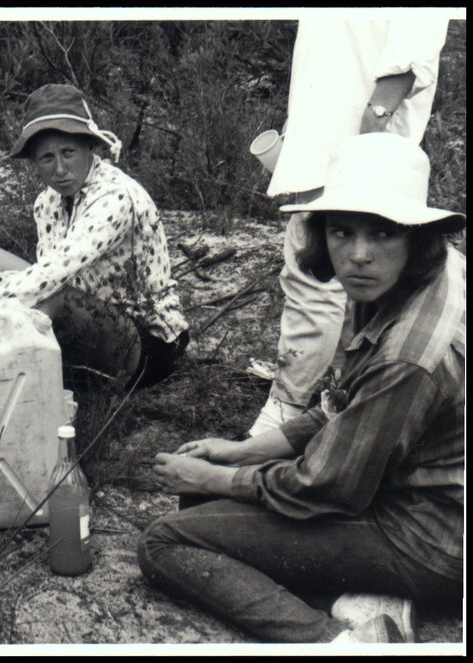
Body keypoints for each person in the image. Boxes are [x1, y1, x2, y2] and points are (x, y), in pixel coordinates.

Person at [138, 133, 465, 643]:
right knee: (207, 507)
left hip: (432, 538)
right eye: (342, 232)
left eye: (382, 234)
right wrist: (241, 452)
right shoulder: (425, 273)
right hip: (417, 494)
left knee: (165, 542)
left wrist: (213, 478)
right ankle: (364, 597)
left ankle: (339, 644)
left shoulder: (409, 353)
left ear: (415, 237)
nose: (358, 255)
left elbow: (325, 486)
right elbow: (348, 409)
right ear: (322, 234)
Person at [249, 18, 450, 436]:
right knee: (345, 289)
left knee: (316, 284)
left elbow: (415, 41)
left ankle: (282, 412)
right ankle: (344, 407)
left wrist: (374, 124)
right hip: (320, 137)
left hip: (358, 144)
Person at [0, 84, 189, 389]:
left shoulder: (115, 198)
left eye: (68, 153)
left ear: (90, 148)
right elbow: (52, 275)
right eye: (47, 158)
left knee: (45, 298)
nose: (60, 169)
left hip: (146, 341)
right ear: (34, 163)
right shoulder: (47, 202)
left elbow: (56, 277)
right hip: (90, 306)